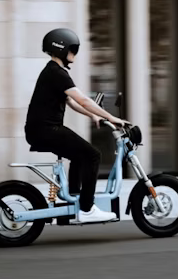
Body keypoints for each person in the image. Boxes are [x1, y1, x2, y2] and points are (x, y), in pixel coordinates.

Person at [24, 28, 128, 224]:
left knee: (80, 154)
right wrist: (112, 118)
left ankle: (75, 195)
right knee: (93, 155)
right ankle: (87, 209)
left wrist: (93, 116)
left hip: (42, 130)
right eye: (73, 49)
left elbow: (71, 102)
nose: (74, 54)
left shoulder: (52, 72)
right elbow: (82, 99)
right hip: (47, 130)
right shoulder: (57, 73)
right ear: (61, 48)